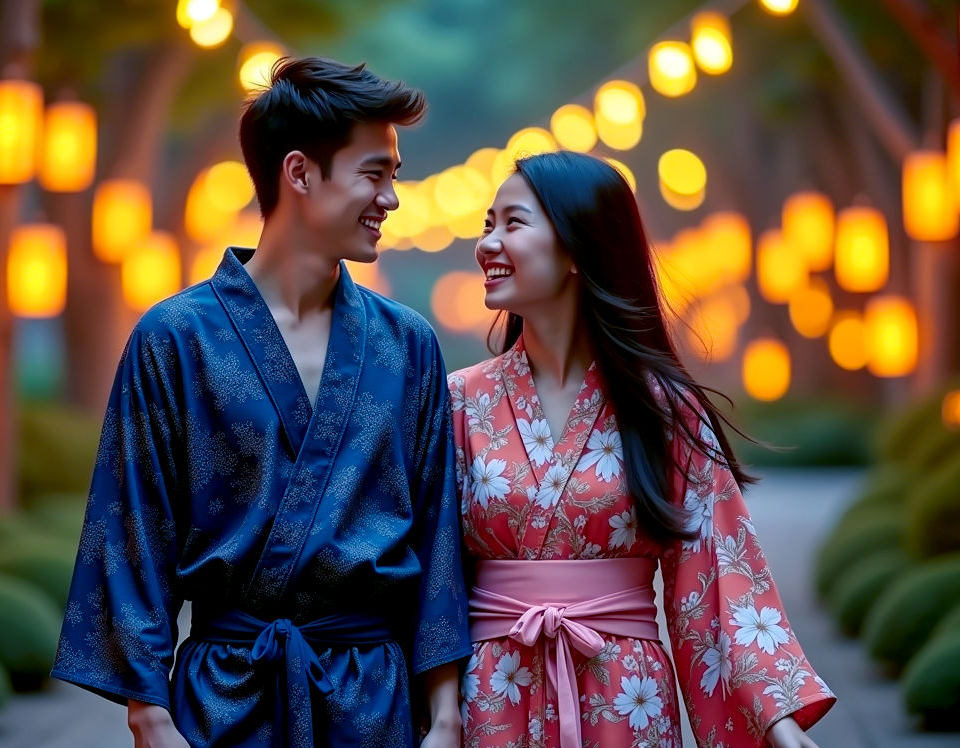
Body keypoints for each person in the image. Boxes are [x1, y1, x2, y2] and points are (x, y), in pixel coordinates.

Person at [52, 57, 470, 748]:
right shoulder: (176, 338)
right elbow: (130, 526)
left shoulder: (408, 346)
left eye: (392, 176)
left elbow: (439, 538)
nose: (391, 200)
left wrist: (447, 717)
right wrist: (149, 716)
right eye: (375, 174)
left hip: (373, 704)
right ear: (300, 173)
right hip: (223, 702)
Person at [449, 151, 835, 747]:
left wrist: (776, 720)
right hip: (493, 697)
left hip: (626, 699)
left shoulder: (663, 409)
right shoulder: (457, 402)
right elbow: (429, 579)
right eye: (486, 224)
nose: (488, 243)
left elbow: (719, 578)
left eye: (513, 223)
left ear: (578, 247)